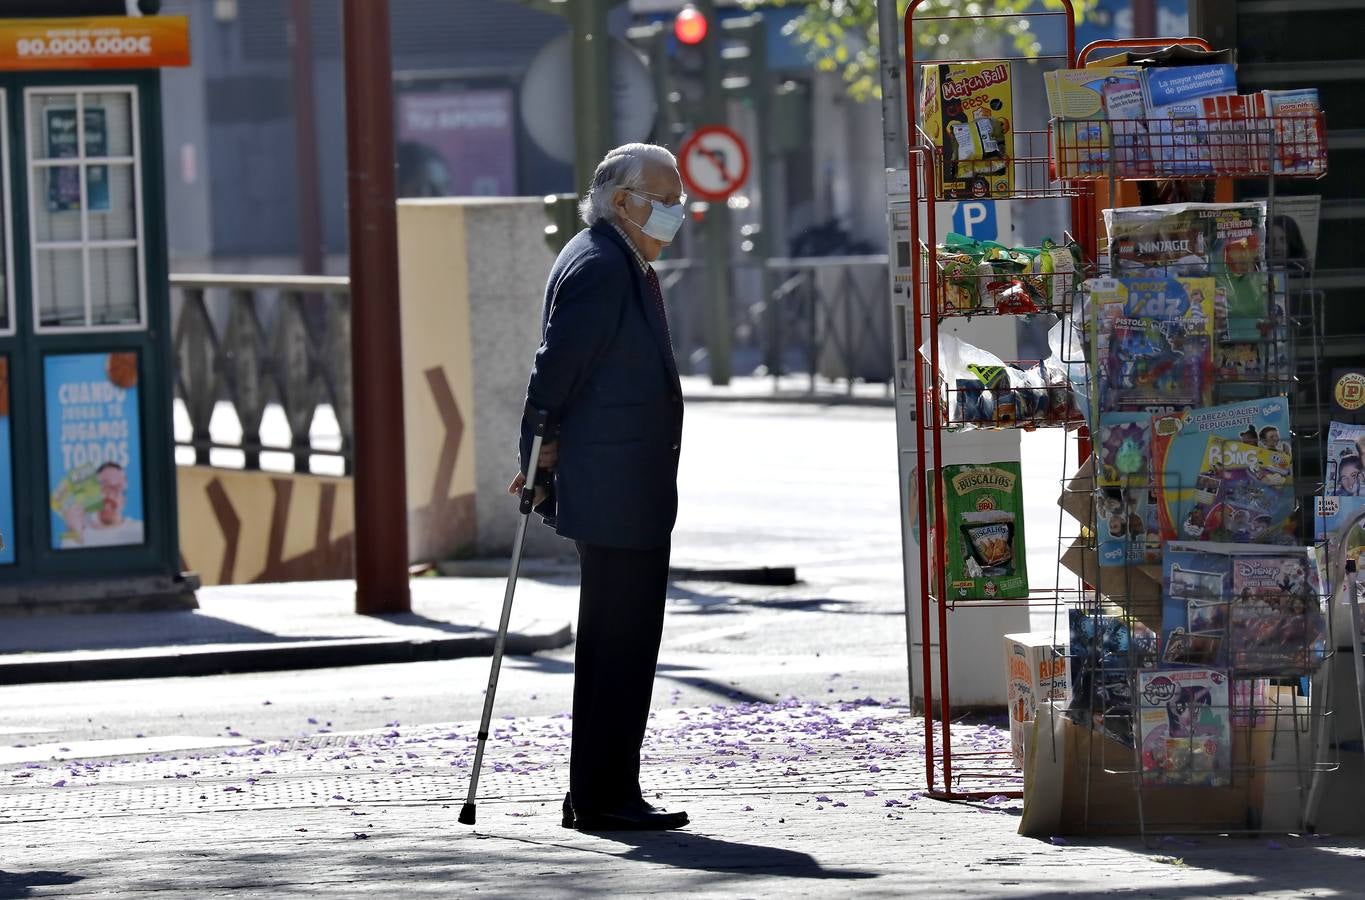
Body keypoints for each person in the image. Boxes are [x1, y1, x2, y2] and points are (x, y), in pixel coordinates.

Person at [511, 143, 688, 832]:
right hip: (615, 486)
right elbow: (555, 371)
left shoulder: (611, 258)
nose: (676, 214)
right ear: (622, 200)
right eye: (664, 200)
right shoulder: (601, 265)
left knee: (622, 640)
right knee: (618, 642)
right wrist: (536, 451)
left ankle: (602, 788)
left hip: (625, 482)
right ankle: (603, 796)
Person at [60, 461, 144, 548]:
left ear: (124, 499)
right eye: (104, 487)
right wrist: (72, 531)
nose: (110, 495)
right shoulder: (77, 531)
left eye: (117, 489)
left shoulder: (140, 531)